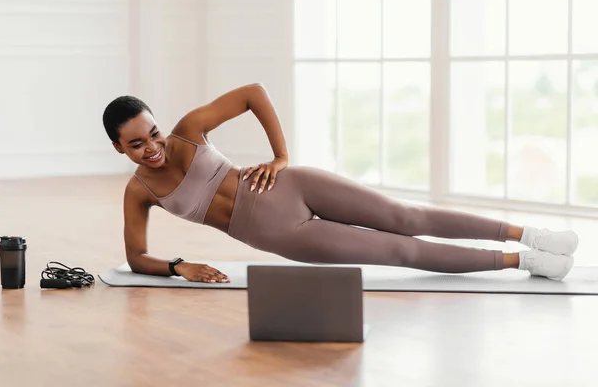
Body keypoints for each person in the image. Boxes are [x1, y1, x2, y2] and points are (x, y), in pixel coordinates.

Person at [102, 83, 578, 283]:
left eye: (153, 132)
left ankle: (529, 233)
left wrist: (281, 157)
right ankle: (525, 262)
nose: (153, 147)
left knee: (407, 216)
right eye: (137, 144)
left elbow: (253, 94)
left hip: (291, 186)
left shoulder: (188, 129)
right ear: (120, 149)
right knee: (400, 251)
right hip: (280, 234)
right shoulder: (139, 193)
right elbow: (134, 257)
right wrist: (179, 266)